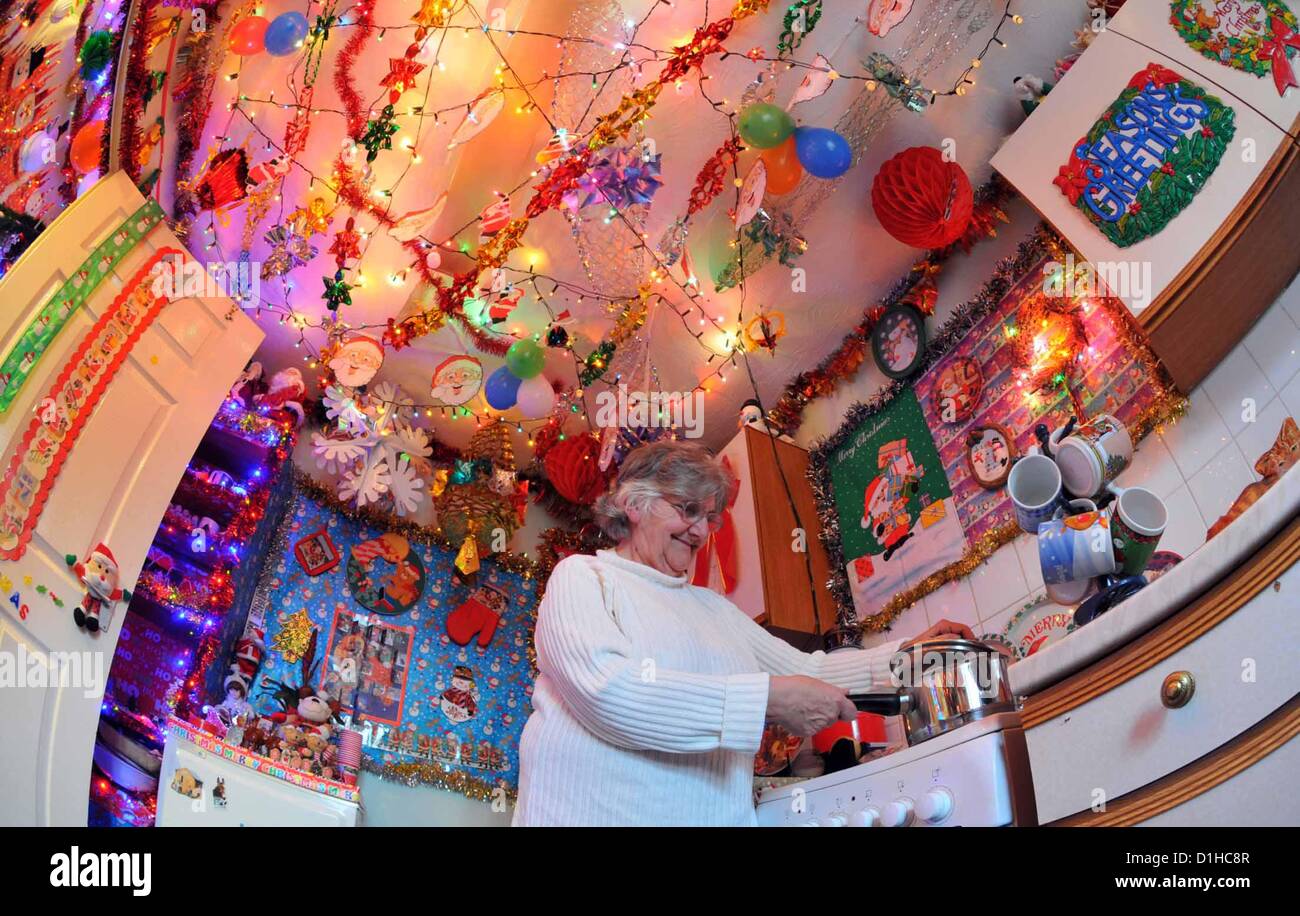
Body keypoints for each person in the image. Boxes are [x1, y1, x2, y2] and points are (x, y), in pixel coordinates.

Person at [513, 440, 973, 826]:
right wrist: (767, 700)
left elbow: (808, 670)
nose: (699, 530)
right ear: (633, 504)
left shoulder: (714, 609)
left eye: (709, 517)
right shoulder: (584, 578)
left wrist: (914, 656)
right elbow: (608, 693)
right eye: (687, 509)